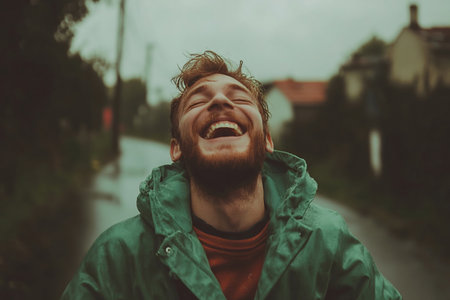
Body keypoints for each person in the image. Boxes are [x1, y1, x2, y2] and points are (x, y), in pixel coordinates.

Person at [61, 51, 401, 299]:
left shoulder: (328, 242)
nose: (221, 100)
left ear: (267, 140)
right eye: (198, 101)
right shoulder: (118, 257)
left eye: (239, 97)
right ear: (176, 148)